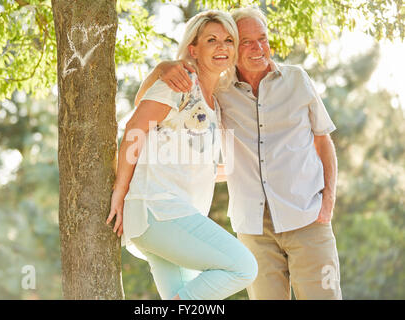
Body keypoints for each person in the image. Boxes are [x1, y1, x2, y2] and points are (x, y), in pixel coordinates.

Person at [136, 7, 342, 300]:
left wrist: (328, 201)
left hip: (308, 219)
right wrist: (161, 69)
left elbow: (323, 142)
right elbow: (145, 105)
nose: (258, 48)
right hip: (253, 229)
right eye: (246, 40)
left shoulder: (298, 80)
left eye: (263, 38)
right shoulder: (218, 89)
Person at [106, 10, 258, 300]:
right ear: (194, 49)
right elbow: (136, 124)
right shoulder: (180, 83)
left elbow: (200, 168)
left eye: (228, 40)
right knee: (243, 267)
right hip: (158, 210)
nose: (222, 46)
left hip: (172, 216)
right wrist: (120, 190)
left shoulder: (215, 102)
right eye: (211, 40)